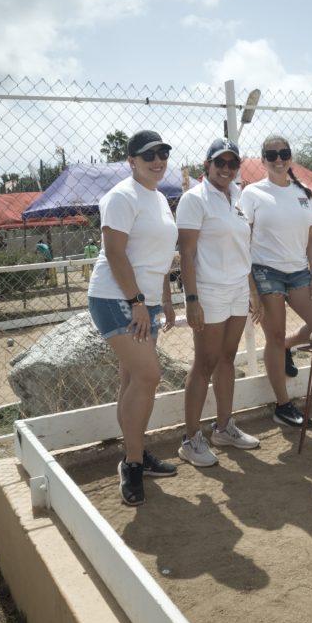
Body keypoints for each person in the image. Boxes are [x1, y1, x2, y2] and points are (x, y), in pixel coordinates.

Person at [87, 130, 178, 506]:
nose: (157, 161)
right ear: (131, 160)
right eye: (148, 155)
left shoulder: (157, 198)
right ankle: (133, 463)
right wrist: (138, 301)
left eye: (162, 153)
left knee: (132, 380)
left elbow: (159, 254)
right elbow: (115, 254)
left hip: (146, 300)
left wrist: (165, 299)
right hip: (116, 297)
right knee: (148, 375)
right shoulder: (121, 196)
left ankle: (136, 451)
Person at [240, 134, 312, 428]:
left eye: (283, 153)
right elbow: (243, 240)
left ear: (290, 157)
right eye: (271, 155)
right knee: (273, 337)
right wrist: (252, 289)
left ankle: (290, 345)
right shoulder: (251, 194)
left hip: (300, 272)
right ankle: (283, 405)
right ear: (262, 160)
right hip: (266, 273)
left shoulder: (302, 193)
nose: (278, 160)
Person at [175, 138, 260, 467]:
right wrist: (191, 298)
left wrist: (252, 290)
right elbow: (187, 253)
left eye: (232, 163)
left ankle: (224, 427)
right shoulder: (194, 199)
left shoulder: (238, 196)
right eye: (219, 162)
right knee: (205, 362)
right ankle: (190, 439)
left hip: (238, 288)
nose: (226, 169)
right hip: (209, 291)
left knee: (227, 358)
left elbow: (244, 249)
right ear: (207, 165)